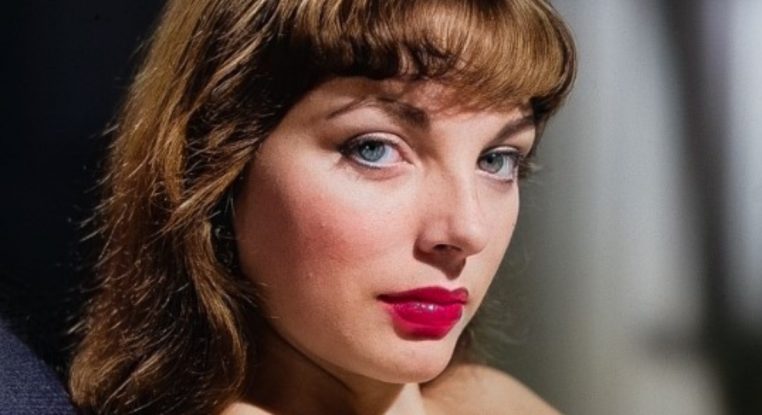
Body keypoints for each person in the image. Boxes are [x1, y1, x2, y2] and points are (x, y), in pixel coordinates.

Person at [68, 0, 576, 413]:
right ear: (215, 166)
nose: (467, 229)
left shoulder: (488, 398)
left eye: (496, 159)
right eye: (373, 149)